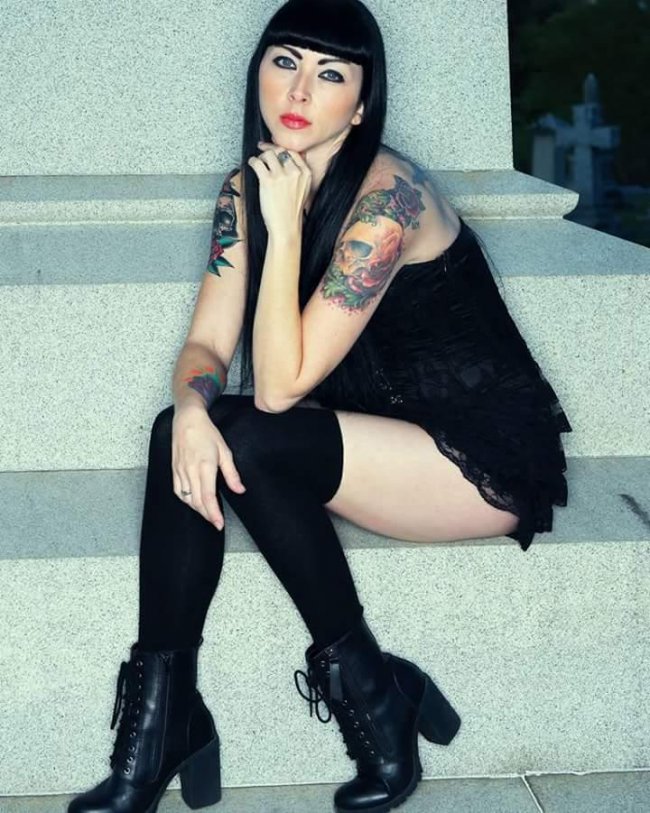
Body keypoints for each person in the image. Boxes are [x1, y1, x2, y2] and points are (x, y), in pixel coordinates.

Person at [68, 0, 572, 812]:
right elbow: (206, 347)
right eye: (285, 62)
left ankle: (375, 695)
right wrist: (190, 409)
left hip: (473, 456)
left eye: (330, 73)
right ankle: (163, 721)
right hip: (373, 436)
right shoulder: (248, 189)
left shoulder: (389, 202)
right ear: (258, 74)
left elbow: (278, 389)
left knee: (250, 434)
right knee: (180, 429)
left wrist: (284, 223)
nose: (299, 90)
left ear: (362, 105)